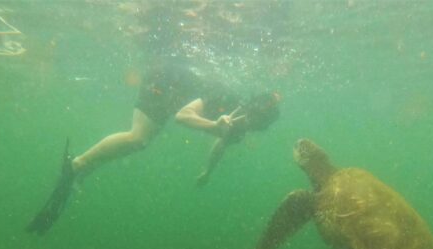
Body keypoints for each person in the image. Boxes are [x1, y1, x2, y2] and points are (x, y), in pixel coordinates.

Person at [27, 62, 280, 234]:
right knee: (139, 138)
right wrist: (214, 124)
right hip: (164, 80)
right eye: (254, 120)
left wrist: (207, 171)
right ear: (250, 108)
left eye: (258, 126)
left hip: (174, 92)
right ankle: (76, 165)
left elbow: (220, 144)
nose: (251, 127)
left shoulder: (241, 124)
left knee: (139, 143)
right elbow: (183, 115)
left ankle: (82, 171)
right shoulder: (225, 98)